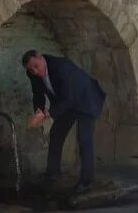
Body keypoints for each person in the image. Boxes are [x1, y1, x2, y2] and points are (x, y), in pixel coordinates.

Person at [22, 50, 106, 192]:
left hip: (85, 99)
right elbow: (37, 94)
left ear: (41, 58)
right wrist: (39, 111)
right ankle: (52, 174)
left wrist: (47, 114)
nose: (35, 71)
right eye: (31, 69)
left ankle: (87, 182)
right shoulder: (32, 74)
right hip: (65, 102)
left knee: (84, 139)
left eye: (36, 66)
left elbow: (69, 99)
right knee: (56, 134)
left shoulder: (62, 68)